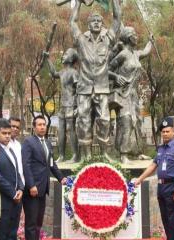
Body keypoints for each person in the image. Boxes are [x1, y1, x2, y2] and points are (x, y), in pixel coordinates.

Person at [70, 0, 121, 161]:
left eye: (99, 21)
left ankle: (105, 154)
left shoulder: (108, 39)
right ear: (89, 24)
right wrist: (77, 3)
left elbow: (117, 19)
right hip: (84, 89)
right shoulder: (81, 40)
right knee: (83, 121)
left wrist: (114, 1)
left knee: (105, 120)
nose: (97, 23)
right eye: (94, 21)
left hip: (101, 88)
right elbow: (72, 21)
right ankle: (86, 155)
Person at [135, 117, 174, 240]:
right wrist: (140, 178)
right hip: (161, 188)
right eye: (163, 132)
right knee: (164, 219)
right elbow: (153, 165)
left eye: (167, 131)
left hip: (171, 187)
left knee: (172, 220)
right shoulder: (160, 149)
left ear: (173, 132)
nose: (165, 134)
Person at [109, 26, 153, 163]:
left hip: (133, 94)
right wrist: (116, 77)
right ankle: (123, 154)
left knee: (137, 122)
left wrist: (150, 41)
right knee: (126, 121)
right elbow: (106, 69)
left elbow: (146, 51)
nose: (136, 36)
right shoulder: (123, 54)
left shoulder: (136, 54)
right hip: (122, 94)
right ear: (128, 37)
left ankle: (136, 152)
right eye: (134, 34)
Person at [21, 115, 67, 240]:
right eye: (39, 125)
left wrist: (61, 178)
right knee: (31, 223)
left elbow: (51, 163)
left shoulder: (47, 142)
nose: (42, 127)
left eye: (44, 125)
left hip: (43, 188)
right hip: (33, 190)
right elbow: (26, 165)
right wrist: (31, 185)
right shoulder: (28, 142)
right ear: (34, 127)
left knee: (39, 222)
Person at [44, 48, 80, 162]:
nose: (63, 56)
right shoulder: (62, 72)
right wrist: (47, 59)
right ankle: (62, 156)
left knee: (71, 129)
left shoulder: (74, 72)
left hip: (71, 104)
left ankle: (75, 156)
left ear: (71, 58)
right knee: (61, 130)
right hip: (63, 105)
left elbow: (79, 90)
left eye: (66, 54)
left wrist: (78, 107)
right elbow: (54, 73)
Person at [0, 119, 24, 240]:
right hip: (4, 201)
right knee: (3, 235)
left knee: (13, 234)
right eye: (4, 133)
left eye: (8, 133)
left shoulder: (11, 149)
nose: (7, 136)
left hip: (17, 200)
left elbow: (18, 171)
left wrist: (21, 188)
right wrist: (13, 193)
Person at [9, 117, 25, 185]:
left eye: (17, 127)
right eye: (13, 126)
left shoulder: (18, 145)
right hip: (9, 185)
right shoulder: (3, 144)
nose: (15, 129)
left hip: (20, 185)